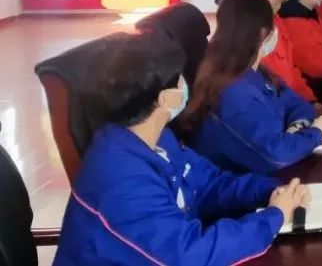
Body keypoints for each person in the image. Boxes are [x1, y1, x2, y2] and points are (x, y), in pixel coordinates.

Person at [54, 32, 309, 265]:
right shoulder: (120, 178)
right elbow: (188, 256)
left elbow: (209, 184)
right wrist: (273, 217)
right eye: (179, 78)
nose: (185, 83)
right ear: (165, 99)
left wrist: (270, 191)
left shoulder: (156, 139)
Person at [181, 0, 322, 174]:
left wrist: (295, 130)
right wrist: (315, 132)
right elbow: (276, 155)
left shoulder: (256, 71)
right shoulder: (232, 92)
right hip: (249, 184)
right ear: (263, 33)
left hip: (282, 170)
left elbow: (298, 105)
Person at [249, 0, 316, 102]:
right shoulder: (253, 23)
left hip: (293, 102)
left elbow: (290, 70)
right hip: (273, 107)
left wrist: (310, 101)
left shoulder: (276, 16)